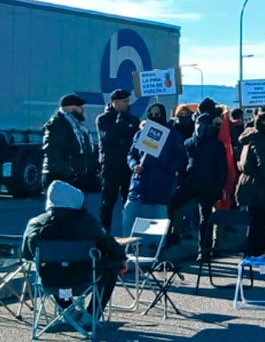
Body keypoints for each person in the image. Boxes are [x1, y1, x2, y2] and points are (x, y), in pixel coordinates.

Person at [22, 181, 127, 329]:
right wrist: (122, 259)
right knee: (113, 265)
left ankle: (68, 310)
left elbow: (27, 254)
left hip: (50, 280)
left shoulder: (35, 223)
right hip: (85, 278)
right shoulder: (88, 222)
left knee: (54, 267)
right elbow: (111, 246)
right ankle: (91, 315)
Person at [121, 104, 186, 238]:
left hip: (160, 183)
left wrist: (168, 169)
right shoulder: (141, 134)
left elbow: (180, 157)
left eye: (157, 114)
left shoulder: (173, 135)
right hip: (139, 184)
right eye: (151, 114)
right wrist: (134, 165)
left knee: (159, 219)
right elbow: (131, 154)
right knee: (130, 215)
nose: (154, 117)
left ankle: (157, 244)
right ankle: (129, 244)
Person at [168, 111, 227, 259]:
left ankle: (204, 250)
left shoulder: (216, 145)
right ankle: (170, 237)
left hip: (207, 186)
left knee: (205, 218)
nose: (199, 127)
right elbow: (182, 164)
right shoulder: (189, 143)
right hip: (190, 183)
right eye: (198, 124)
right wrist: (181, 180)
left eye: (202, 124)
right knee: (171, 206)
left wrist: (218, 189)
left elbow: (221, 170)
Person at [96, 89, 141, 233]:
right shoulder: (103, 119)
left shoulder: (133, 119)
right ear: (114, 102)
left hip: (127, 165)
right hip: (111, 165)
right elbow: (109, 138)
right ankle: (104, 233)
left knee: (129, 201)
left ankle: (128, 232)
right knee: (108, 201)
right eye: (124, 101)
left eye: (128, 101)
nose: (127, 104)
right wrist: (120, 122)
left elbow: (134, 141)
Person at [235, 113, 265, 257]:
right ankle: (255, 251)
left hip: (249, 183)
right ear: (262, 125)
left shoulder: (251, 137)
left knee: (256, 218)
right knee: (260, 219)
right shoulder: (261, 140)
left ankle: (253, 249)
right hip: (260, 185)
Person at [41, 94, 97, 192]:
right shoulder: (57, 124)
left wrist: (94, 168)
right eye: (79, 106)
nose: (83, 109)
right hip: (59, 177)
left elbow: (85, 150)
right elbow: (52, 151)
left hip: (74, 177)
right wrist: (68, 172)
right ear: (69, 108)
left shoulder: (79, 127)